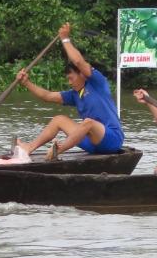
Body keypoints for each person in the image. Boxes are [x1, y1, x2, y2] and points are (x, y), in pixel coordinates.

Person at [13, 23, 126, 160]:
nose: (69, 82)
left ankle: (59, 150)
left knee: (88, 122)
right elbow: (47, 96)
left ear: (82, 75)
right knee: (58, 120)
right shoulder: (74, 94)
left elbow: (78, 61)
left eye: (71, 78)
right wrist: (26, 83)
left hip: (112, 140)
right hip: (92, 144)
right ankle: (29, 147)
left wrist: (65, 39)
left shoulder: (97, 82)